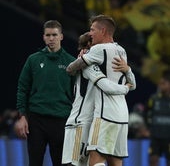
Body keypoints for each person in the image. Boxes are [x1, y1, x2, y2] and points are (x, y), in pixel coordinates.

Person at [66, 14, 136, 166]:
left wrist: (80, 60)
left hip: (104, 114)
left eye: (92, 30)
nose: (90, 33)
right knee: (115, 161)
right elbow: (133, 84)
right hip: (123, 114)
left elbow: (70, 69)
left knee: (95, 161)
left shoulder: (98, 50)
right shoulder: (121, 50)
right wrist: (128, 70)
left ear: (103, 31)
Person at [14, 20, 76, 166]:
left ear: (61, 36)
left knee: (62, 164)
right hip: (37, 120)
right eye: (48, 35)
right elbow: (22, 88)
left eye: (54, 35)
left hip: (62, 120)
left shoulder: (71, 62)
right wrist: (23, 116)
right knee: (34, 163)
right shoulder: (33, 60)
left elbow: (77, 94)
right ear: (43, 37)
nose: (51, 38)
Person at [146, 69, 170, 166]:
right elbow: (146, 114)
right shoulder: (153, 99)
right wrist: (146, 129)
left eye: (163, 83)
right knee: (153, 159)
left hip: (169, 137)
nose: (160, 86)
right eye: (159, 84)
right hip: (155, 136)